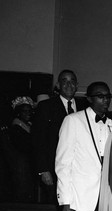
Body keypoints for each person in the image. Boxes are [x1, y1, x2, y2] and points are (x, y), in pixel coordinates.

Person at [55, 82, 112, 211]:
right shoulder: (73, 121)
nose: (105, 100)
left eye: (107, 97)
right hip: (82, 198)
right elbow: (63, 164)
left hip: (106, 198)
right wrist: (66, 203)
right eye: (100, 96)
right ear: (89, 99)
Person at [32, 70, 87, 203]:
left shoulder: (85, 107)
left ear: (77, 85)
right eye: (64, 81)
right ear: (57, 85)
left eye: (72, 81)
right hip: (53, 169)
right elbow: (38, 140)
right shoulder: (46, 107)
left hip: (80, 170)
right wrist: (43, 170)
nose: (69, 84)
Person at [9, 96, 36, 202]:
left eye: (30, 111)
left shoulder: (29, 126)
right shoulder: (16, 128)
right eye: (24, 111)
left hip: (28, 165)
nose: (28, 113)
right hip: (20, 166)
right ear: (18, 113)